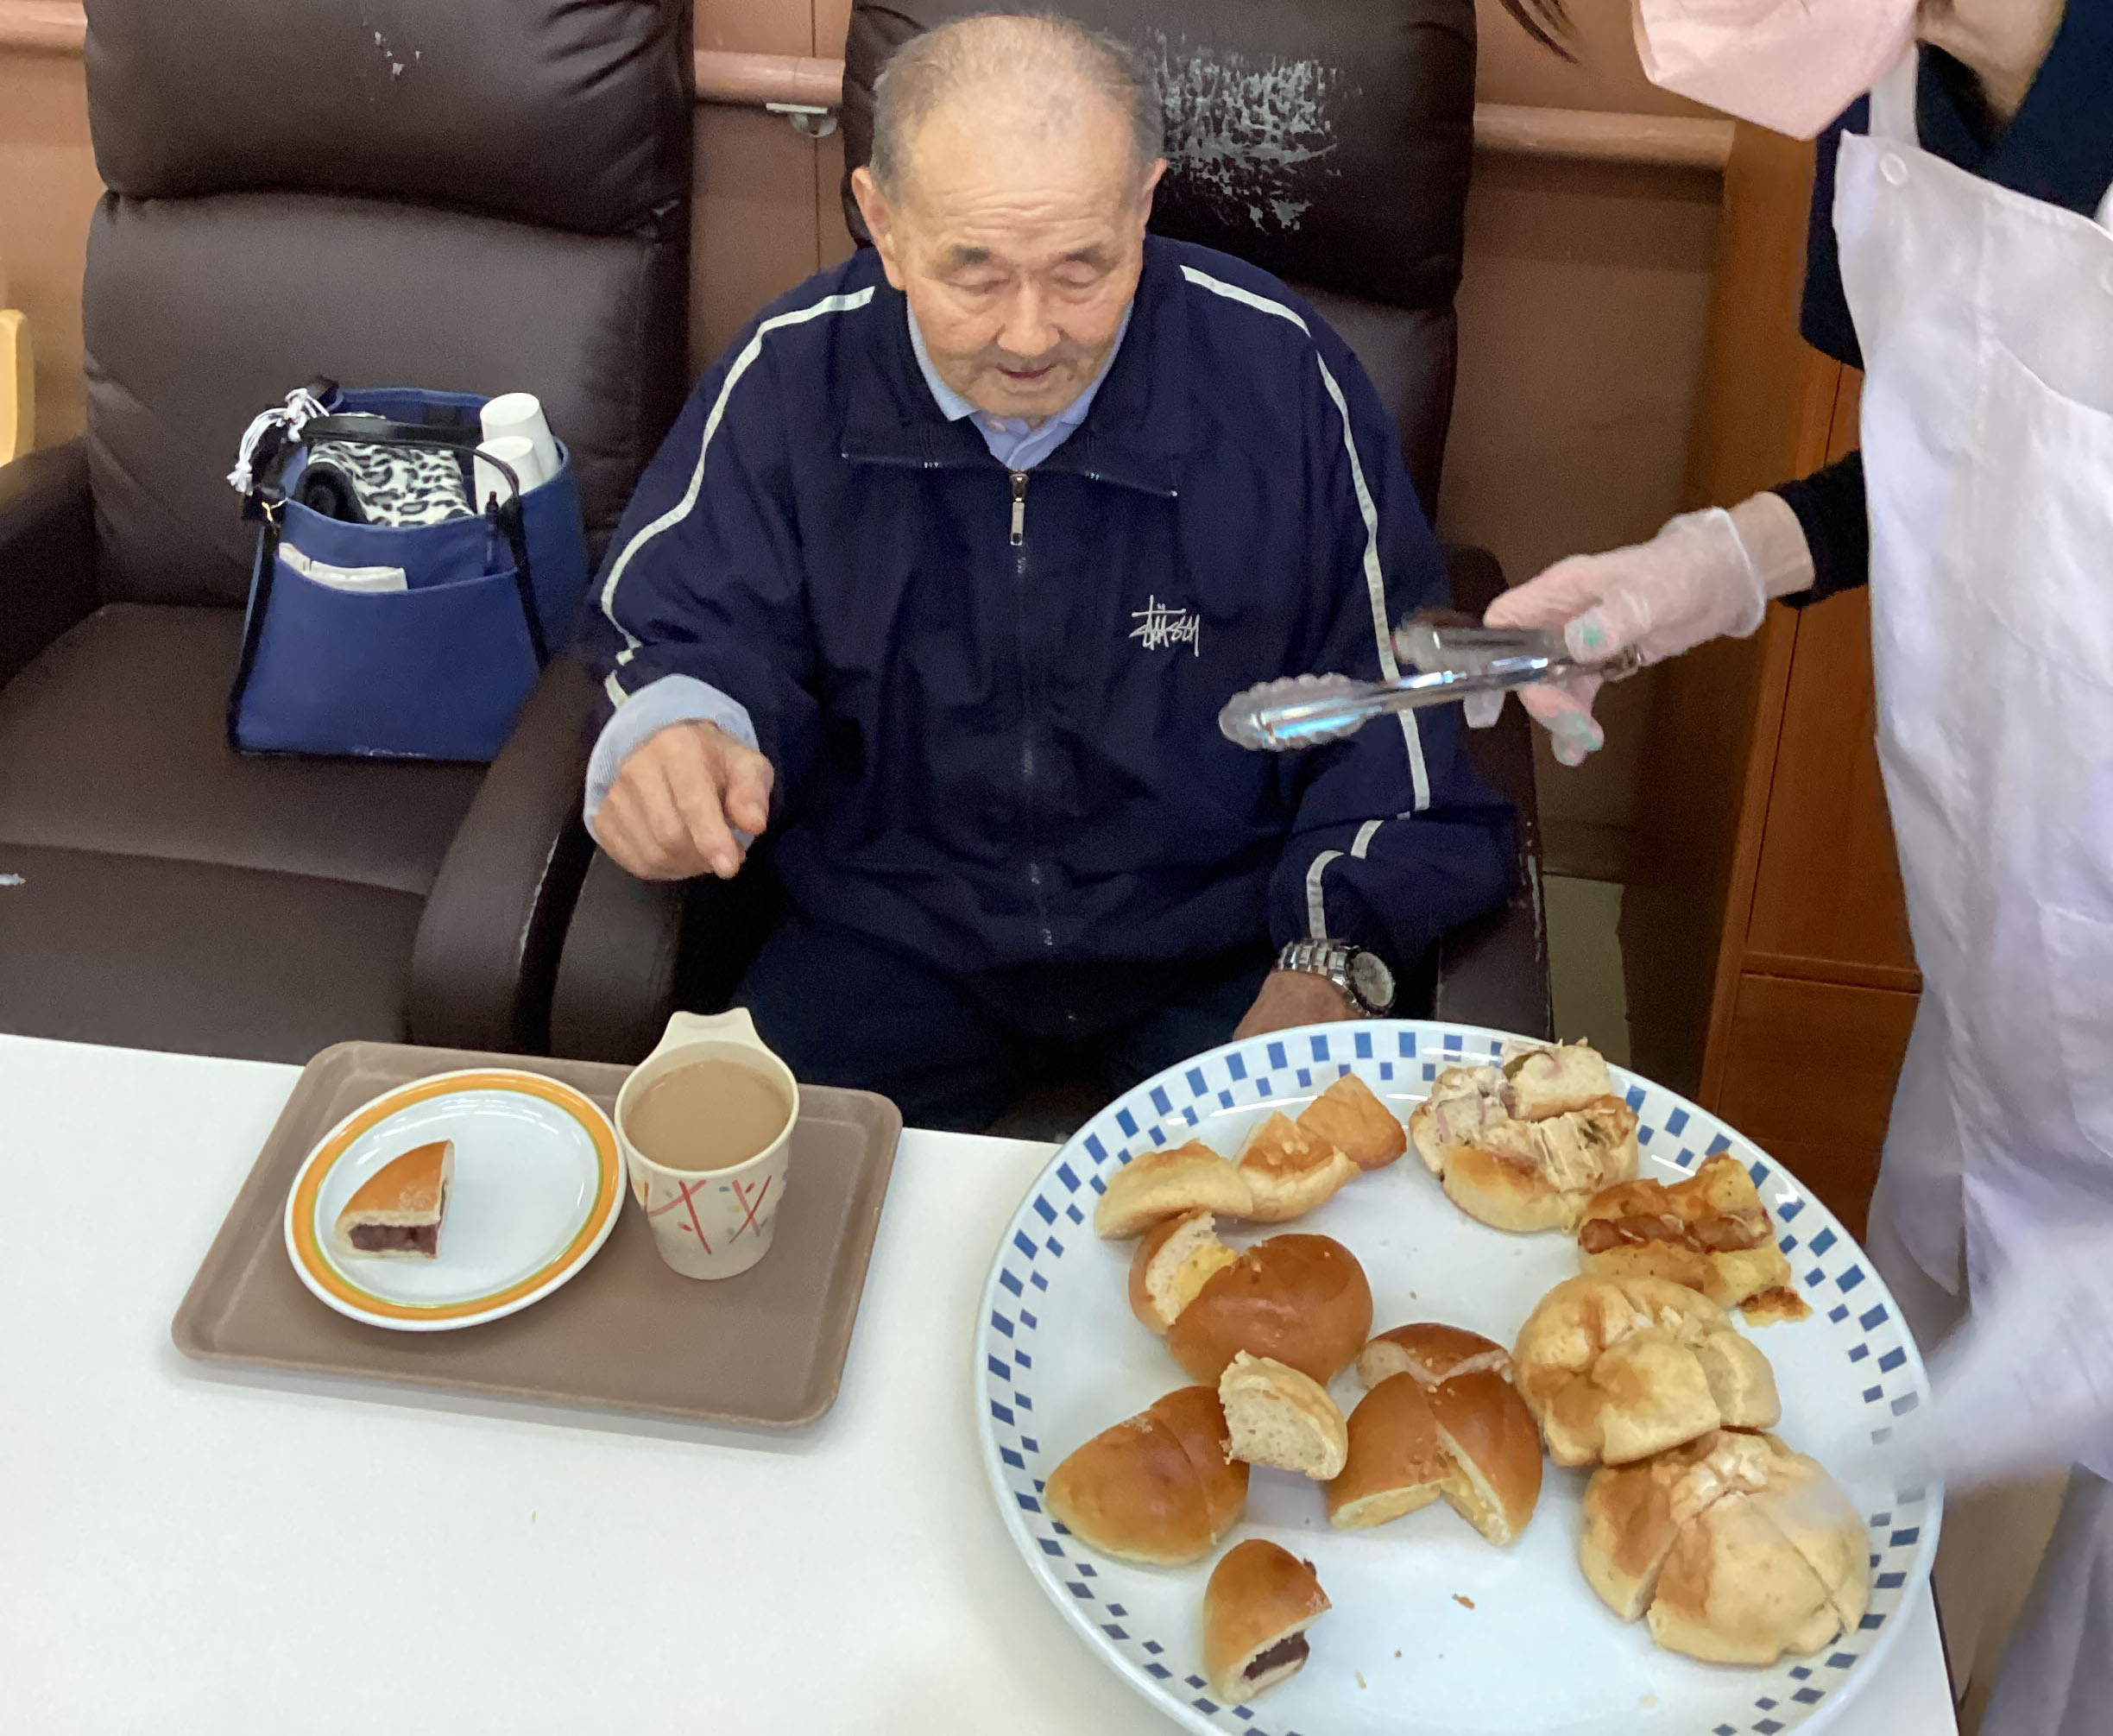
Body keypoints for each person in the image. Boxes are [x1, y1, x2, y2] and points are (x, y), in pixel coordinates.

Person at [1486, 3, 2113, 1733]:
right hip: (1993, 995)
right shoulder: (1886, 88)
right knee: (1880, 1555)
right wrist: (1714, 565)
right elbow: (1967, 446)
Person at [574, 14, 1511, 1131]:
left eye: (1081, 270)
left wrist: (1330, 953)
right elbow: (682, 626)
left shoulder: (1283, 376)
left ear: (1143, 206)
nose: (1029, 337)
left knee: (1290, 1223)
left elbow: (1390, 699)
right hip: (892, 933)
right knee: (764, 1203)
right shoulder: (792, 376)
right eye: (974, 272)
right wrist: (676, 731)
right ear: (883, 220)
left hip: (1213, 935)